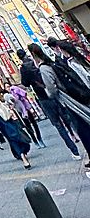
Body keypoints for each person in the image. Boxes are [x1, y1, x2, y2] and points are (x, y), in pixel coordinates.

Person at [30, 42, 90, 174]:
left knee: (79, 127)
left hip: (65, 101)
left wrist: (47, 91)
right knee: (79, 125)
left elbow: (51, 89)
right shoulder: (52, 63)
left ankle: (79, 150)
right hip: (74, 98)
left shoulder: (44, 68)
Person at [17, 47, 81, 159]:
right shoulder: (37, 63)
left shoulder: (24, 68)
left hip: (43, 98)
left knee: (58, 125)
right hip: (55, 94)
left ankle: (74, 151)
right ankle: (75, 135)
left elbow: (25, 84)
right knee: (67, 118)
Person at [4, 79, 45, 147]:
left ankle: (39, 138)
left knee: (34, 124)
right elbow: (10, 104)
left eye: (9, 86)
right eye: (6, 87)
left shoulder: (15, 90)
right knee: (28, 126)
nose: (8, 88)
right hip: (19, 111)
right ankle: (35, 140)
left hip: (26, 108)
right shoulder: (8, 95)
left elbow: (23, 93)